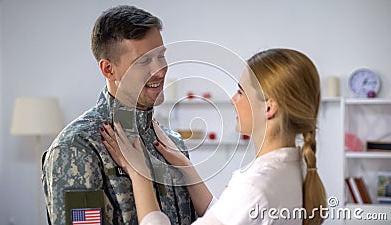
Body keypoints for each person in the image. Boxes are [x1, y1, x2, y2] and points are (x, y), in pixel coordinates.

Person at [101, 48, 328, 225]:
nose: (233, 99)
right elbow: (233, 217)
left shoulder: (256, 186)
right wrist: (187, 169)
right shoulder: (294, 167)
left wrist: (140, 174)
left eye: (241, 91)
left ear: (269, 108)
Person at [42, 5, 196, 225]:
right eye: (143, 61)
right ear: (108, 69)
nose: (160, 71)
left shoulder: (173, 143)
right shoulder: (78, 147)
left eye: (160, 56)